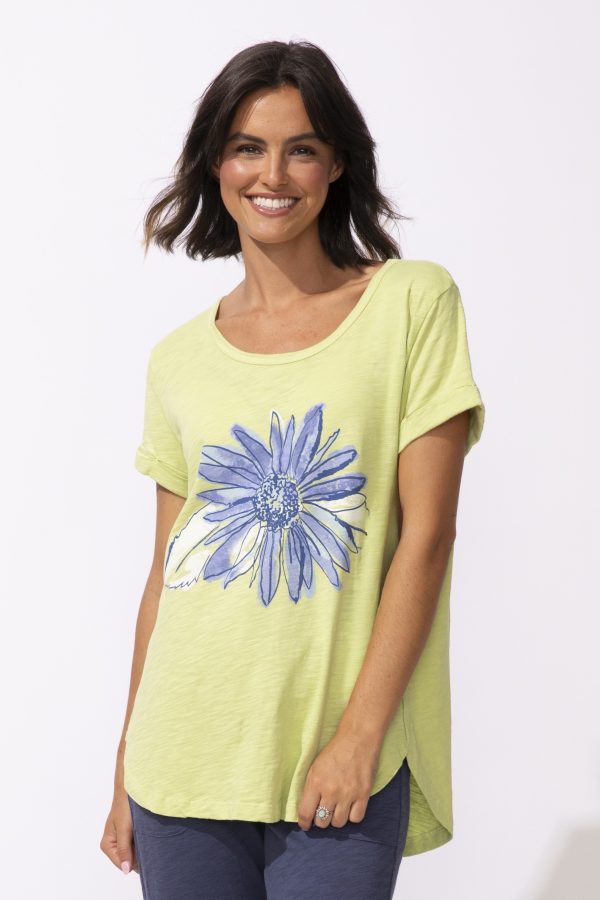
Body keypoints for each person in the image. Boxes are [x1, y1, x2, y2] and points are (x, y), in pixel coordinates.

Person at [99, 39, 485, 900]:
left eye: (300, 148)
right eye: (248, 147)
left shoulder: (411, 304)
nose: (272, 175)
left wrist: (360, 737)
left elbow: (426, 537)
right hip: (180, 759)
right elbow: (165, 574)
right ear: (216, 163)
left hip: (335, 757)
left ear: (336, 163)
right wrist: (126, 765)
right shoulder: (178, 359)